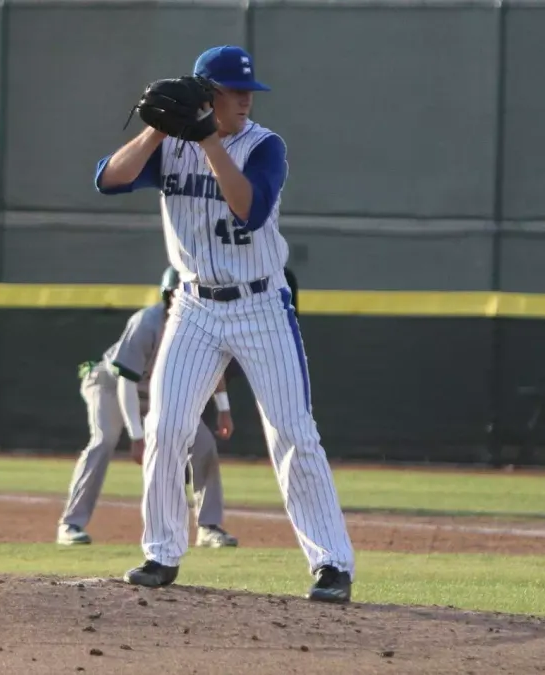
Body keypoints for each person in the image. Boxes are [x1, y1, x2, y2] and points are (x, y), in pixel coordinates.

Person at [92, 45, 355, 603]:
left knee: (292, 432)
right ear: (206, 94)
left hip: (261, 304)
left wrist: (208, 137)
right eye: (233, 91)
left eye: (247, 92)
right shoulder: (171, 150)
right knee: (165, 427)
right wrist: (157, 130)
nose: (244, 100)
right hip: (193, 307)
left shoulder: (265, 145)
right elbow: (109, 181)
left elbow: (249, 209)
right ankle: (161, 553)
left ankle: (332, 564)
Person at [57, 267, 239, 549]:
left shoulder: (203, 327)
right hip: (110, 384)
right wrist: (137, 436)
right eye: (176, 296)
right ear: (167, 296)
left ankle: (209, 527)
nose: (182, 302)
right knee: (104, 440)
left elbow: (213, 370)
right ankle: (71, 524)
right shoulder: (147, 322)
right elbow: (125, 382)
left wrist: (224, 409)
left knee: (203, 443)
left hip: (157, 392)